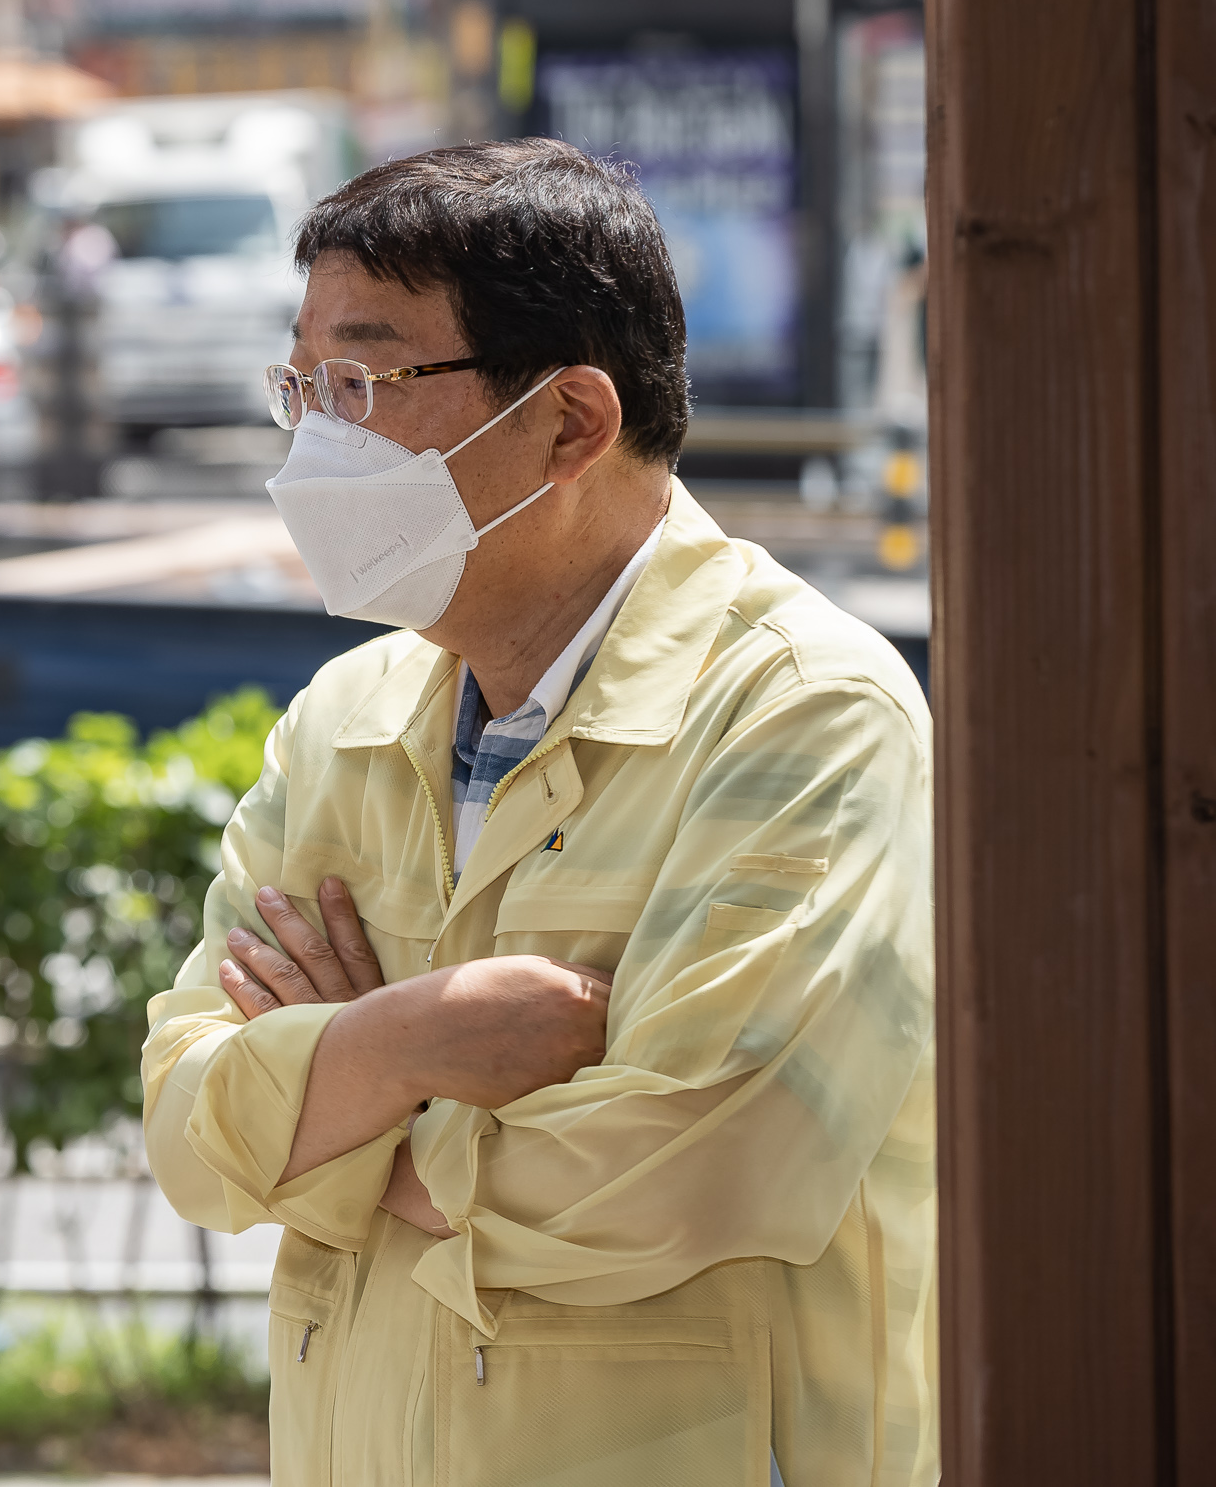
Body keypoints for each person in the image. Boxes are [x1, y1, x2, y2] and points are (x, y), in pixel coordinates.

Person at [141, 140, 934, 1486]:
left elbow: (695, 1162)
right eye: (303, 383)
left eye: (365, 380)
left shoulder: (805, 712)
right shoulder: (346, 721)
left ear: (569, 422)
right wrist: (409, 1043)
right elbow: (191, 1132)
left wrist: (334, 1121)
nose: (317, 439)